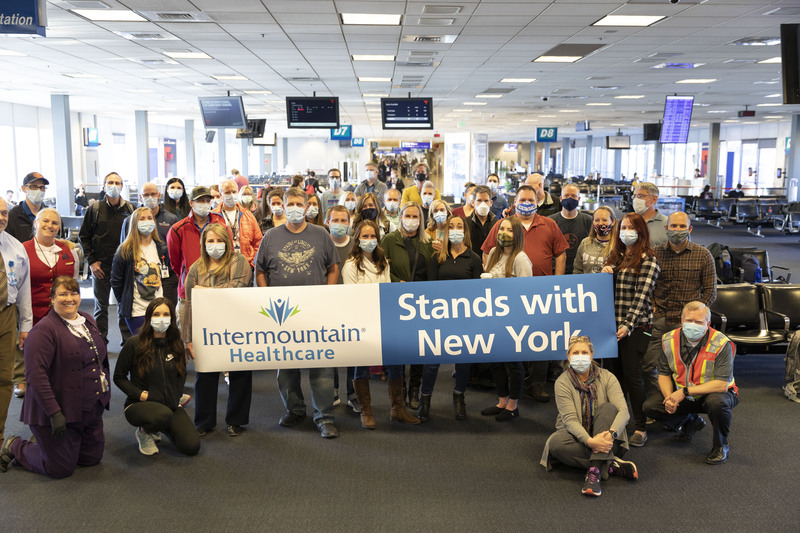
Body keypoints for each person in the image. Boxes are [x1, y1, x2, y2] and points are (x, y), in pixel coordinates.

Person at [0, 276, 108, 478]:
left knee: (90, 459)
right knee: (61, 469)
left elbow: (100, 360)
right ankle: (16, 446)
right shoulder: (43, 331)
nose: (69, 298)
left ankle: (60, 445)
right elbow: (36, 378)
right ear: (52, 299)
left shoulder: (88, 320)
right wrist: (54, 413)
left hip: (87, 409)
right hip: (58, 412)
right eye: (63, 294)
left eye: (73, 293)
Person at [254, 188, 340, 438]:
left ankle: (324, 416)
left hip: (316, 310)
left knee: (321, 365)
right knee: (286, 366)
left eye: (297, 203)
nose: (293, 207)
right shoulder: (270, 236)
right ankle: (295, 409)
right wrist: (266, 297)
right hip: (283, 314)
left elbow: (333, 267)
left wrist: (328, 293)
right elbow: (260, 271)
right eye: (288, 203)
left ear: (306, 207)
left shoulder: (321, 234)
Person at [482, 185, 568, 403]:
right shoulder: (504, 223)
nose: (527, 203)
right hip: (503, 303)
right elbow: (487, 252)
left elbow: (560, 254)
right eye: (523, 199)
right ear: (515, 201)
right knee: (512, 347)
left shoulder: (549, 224)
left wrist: (556, 282)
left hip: (541, 293)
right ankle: (509, 391)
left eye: (531, 199)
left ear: (538, 201)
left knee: (539, 340)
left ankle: (535, 384)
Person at [540, 336, 638, 497]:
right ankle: (609, 464)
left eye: (584, 352)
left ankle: (594, 472)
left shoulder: (607, 377)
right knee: (555, 444)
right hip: (578, 437)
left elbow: (624, 412)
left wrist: (612, 433)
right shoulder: (562, 382)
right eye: (575, 352)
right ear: (569, 357)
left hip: (608, 438)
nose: (580, 356)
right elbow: (570, 420)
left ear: (591, 355)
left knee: (607, 408)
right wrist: (590, 441)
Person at [643, 301, 738, 465]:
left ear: (707, 324)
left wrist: (684, 392)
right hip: (685, 395)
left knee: (717, 403)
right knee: (650, 406)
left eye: (698, 322)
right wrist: (669, 398)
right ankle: (690, 422)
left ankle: (721, 446)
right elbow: (664, 373)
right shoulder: (668, 339)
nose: (692, 325)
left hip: (716, 393)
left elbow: (722, 384)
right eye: (689, 320)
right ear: (682, 320)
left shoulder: (722, 343)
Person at [345, 220, 420, 426]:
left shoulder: (383, 262)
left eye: (372, 236)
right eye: (365, 236)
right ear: (357, 239)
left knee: (396, 365)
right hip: (362, 323)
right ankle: (365, 412)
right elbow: (351, 298)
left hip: (385, 319)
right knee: (361, 368)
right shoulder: (351, 265)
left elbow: (387, 291)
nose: (369, 240)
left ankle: (398, 409)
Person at [183, 224, 252, 437]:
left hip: (236, 328)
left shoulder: (238, 261)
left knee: (240, 375)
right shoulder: (196, 267)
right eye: (210, 241)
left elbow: (236, 289)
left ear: (227, 242)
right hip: (207, 330)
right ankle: (204, 421)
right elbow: (188, 303)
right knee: (205, 376)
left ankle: (236, 421)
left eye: (219, 240)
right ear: (203, 244)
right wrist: (187, 339)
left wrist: (204, 291)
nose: (215, 245)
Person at [601, 213, 660, 447]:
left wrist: (627, 325)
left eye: (631, 227)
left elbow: (641, 298)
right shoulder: (616, 256)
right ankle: (618, 422)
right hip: (610, 326)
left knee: (633, 377)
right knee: (613, 379)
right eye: (623, 227)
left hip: (636, 327)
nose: (626, 231)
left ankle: (641, 427)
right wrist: (603, 273)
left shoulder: (648, 259)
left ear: (641, 231)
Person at [113, 297, 200, 456]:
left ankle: (162, 426)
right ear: (149, 317)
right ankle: (145, 433)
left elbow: (181, 374)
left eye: (166, 314)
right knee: (163, 415)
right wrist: (140, 394)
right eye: (156, 314)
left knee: (191, 446)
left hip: (169, 403)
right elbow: (119, 377)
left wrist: (176, 396)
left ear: (172, 319)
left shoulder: (176, 344)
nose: (161, 319)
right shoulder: (134, 344)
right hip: (139, 404)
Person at [643, 211, 716, 391]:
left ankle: (682, 409)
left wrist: (696, 316)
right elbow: (647, 285)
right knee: (648, 367)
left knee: (687, 369)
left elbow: (710, 292)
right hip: (660, 318)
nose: (677, 230)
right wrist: (652, 305)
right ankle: (661, 404)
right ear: (666, 228)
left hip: (688, 324)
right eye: (673, 226)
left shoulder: (703, 255)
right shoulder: (654, 253)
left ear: (689, 229)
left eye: (682, 226)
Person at [419, 215, 483, 422]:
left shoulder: (473, 259)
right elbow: (430, 289)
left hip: (464, 318)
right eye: (451, 226)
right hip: (439, 317)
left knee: (463, 361)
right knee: (432, 362)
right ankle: (425, 399)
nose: (455, 230)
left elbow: (477, 293)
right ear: (445, 231)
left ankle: (458, 397)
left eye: (459, 226)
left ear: (465, 231)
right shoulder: (437, 258)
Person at [381, 201, 435, 410]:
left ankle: (415, 389)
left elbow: (432, 270)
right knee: (399, 348)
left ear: (421, 220)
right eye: (408, 216)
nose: (411, 220)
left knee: (419, 347)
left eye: (416, 217)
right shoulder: (389, 240)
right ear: (401, 217)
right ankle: (399, 391)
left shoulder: (427, 242)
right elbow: (382, 267)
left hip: (422, 303)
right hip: (397, 301)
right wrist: (396, 282)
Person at [480, 217, 532, 422]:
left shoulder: (520, 259)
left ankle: (513, 405)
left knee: (513, 363)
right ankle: (502, 400)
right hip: (492, 318)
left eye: (510, 230)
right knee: (495, 362)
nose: (504, 233)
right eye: (502, 229)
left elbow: (528, 293)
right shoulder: (493, 253)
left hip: (513, 319)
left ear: (517, 235)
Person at [78, 172, 134, 343]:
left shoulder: (130, 209)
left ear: (122, 186)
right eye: (110, 182)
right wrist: (92, 261)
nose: (114, 185)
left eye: (118, 182)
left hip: (123, 266)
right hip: (100, 266)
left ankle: (127, 343)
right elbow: (84, 236)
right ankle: (101, 342)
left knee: (124, 306)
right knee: (100, 308)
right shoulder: (95, 209)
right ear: (104, 186)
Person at [166, 186, 232, 332]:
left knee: (218, 336)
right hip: (189, 294)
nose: (205, 203)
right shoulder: (178, 229)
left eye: (208, 200)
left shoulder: (221, 225)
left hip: (217, 291)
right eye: (200, 200)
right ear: (191, 203)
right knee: (188, 339)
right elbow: (176, 264)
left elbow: (230, 255)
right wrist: (187, 278)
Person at [0, 197, 32, 445]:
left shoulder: (15, 247)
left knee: (4, 378)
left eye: (4, 213)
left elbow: (23, 290)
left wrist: (26, 326)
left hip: (7, 315)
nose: (1, 217)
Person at [111, 207, 171, 337]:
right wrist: (126, 302)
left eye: (150, 218)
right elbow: (116, 282)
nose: (147, 221)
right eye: (142, 219)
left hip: (159, 309)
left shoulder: (161, 247)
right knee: (143, 348)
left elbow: (167, 275)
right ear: (134, 223)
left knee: (159, 346)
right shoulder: (125, 250)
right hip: (137, 311)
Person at [120, 182, 179, 305]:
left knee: (166, 315)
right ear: (140, 197)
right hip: (139, 277)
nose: (150, 197)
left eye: (153, 194)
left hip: (166, 276)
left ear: (159, 195)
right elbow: (124, 252)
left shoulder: (171, 219)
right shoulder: (129, 221)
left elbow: (176, 250)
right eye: (146, 195)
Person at [22, 208, 80, 327]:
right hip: (34, 317)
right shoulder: (22, 250)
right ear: (35, 223)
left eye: (55, 223)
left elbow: (74, 282)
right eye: (45, 221)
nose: (50, 226)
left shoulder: (69, 249)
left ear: (59, 227)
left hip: (65, 315)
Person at [324, 204, 357, 410]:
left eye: (343, 220)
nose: (339, 224)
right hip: (328, 304)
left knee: (353, 352)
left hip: (353, 305)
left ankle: (353, 394)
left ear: (349, 223)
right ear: (327, 223)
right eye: (334, 220)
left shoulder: (356, 244)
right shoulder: (321, 244)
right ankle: (333, 390)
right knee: (331, 351)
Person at [213, 179, 263, 268]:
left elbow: (258, 242)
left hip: (245, 266)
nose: (232, 195)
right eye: (227, 192)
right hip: (222, 267)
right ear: (221, 195)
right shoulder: (213, 216)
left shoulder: (248, 215)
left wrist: (252, 263)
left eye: (234, 192)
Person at [548, 183, 593, 275]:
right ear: (561, 198)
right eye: (566, 195)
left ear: (579, 199)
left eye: (573, 196)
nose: (569, 198)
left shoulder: (588, 220)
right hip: (556, 271)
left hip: (580, 271)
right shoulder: (550, 221)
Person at [7, 172, 50, 243]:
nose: (38, 190)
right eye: (33, 187)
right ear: (24, 188)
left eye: (42, 187)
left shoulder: (51, 215)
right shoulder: (13, 215)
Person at [573, 206, 615, 274]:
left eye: (604, 220)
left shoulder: (619, 245)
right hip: (587, 284)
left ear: (613, 222)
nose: (600, 223)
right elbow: (577, 271)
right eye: (597, 220)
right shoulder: (585, 243)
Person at [631, 182, 668, 246]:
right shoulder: (628, 221)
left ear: (654, 199)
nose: (636, 199)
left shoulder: (668, 223)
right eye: (634, 196)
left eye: (640, 196)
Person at [467, 184, 497, 253]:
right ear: (473, 202)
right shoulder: (465, 223)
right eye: (479, 200)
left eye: (486, 201)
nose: (483, 204)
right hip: (472, 262)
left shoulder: (497, 224)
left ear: (491, 203)